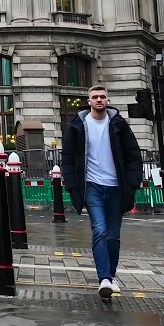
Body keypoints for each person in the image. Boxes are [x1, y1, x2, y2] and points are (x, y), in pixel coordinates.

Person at [61, 85, 144, 302]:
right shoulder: (78, 125)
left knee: (113, 236)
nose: (99, 100)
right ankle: (104, 279)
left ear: (108, 100)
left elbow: (133, 154)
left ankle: (111, 275)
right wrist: (71, 184)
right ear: (88, 101)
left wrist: (133, 182)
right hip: (92, 186)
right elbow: (68, 158)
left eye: (102, 97)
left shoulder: (118, 124)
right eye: (95, 97)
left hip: (116, 187)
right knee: (99, 229)